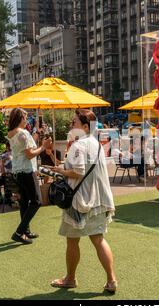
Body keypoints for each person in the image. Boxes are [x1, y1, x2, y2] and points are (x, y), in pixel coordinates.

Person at [49, 109, 117, 293]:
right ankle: (111, 280)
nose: (71, 125)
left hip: (80, 202)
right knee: (98, 239)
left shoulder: (78, 145)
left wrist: (60, 171)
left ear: (85, 127)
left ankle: (70, 278)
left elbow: (77, 172)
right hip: (99, 200)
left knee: (72, 241)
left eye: (74, 123)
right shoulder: (96, 144)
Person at [7, 108, 48, 244]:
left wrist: (36, 131)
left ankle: (26, 231)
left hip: (17, 171)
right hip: (26, 170)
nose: (27, 120)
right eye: (25, 118)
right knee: (36, 201)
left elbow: (25, 145)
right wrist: (43, 147)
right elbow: (29, 154)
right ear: (21, 118)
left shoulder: (12, 133)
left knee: (24, 202)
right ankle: (20, 231)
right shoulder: (23, 133)